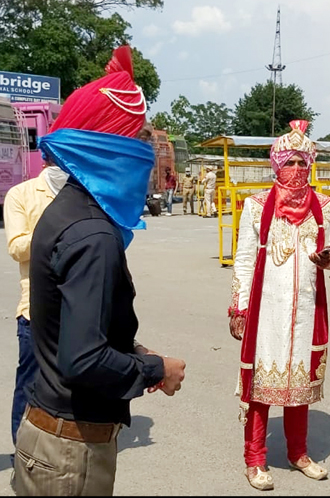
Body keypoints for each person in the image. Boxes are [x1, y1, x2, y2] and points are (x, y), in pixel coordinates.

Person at [19, 46, 187, 496]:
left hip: (50, 435)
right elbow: (82, 358)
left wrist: (129, 349)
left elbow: (72, 327)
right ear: (111, 148)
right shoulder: (93, 233)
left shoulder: (68, 210)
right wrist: (156, 369)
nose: (145, 153)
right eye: (137, 139)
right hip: (69, 455)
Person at [228, 120, 330, 491]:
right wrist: (239, 308)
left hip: (308, 309)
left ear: (311, 165)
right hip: (267, 311)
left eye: (301, 163)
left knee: (300, 384)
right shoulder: (256, 205)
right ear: (275, 164)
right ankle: (255, 458)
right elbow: (244, 259)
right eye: (289, 162)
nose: (296, 170)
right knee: (261, 385)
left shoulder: (324, 206)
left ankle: (298, 453)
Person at [3, 159, 67, 446]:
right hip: (37, 310)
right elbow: (17, 247)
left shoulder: (82, 192)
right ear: (47, 158)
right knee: (30, 384)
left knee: (73, 385)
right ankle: (23, 453)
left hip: (79, 306)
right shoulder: (21, 194)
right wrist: (55, 230)